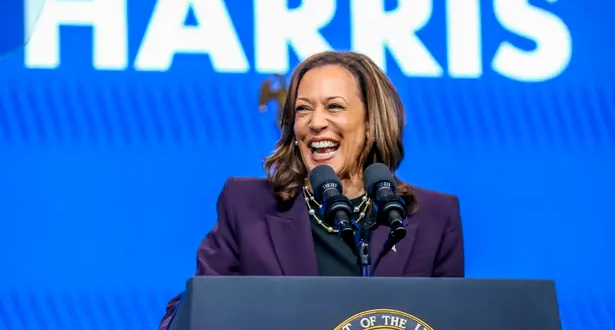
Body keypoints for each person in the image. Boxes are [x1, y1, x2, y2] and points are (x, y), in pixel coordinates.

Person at [158, 51, 464, 330]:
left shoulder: (434, 216)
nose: (316, 123)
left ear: (371, 121)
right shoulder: (246, 204)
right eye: (303, 109)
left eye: (334, 106)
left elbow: (453, 319)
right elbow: (198, 306)